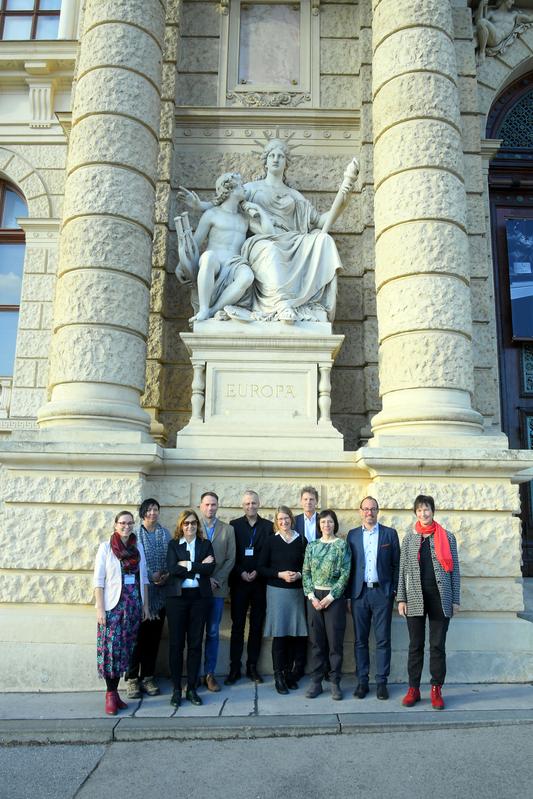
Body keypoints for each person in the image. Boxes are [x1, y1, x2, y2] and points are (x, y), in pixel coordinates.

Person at [178, 137, 358, 323]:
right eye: (272, 155)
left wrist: (344, 197)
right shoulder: (250, 189)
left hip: (292, 240)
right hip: (261, 239)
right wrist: (200, 205)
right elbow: (226, 203)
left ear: (286, 163)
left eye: (280, 156)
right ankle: (281, 304)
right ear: (265, 160)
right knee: (270, 250)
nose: (276, 159)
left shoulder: (294, 195)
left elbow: (320, 221)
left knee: (324, 240)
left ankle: (302, 304)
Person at [175, 172, 273, 323]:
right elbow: (194, 243)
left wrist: (259, 210)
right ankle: (203, 308)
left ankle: (211, 311)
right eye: (240, 185)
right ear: (230, 190)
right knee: (208, 257)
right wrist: (181, 265)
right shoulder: (211, 214)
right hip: (214, 259)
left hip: (235, 262)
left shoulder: (244, 218)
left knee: (248, 276)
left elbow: (269, 233)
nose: (244, 188)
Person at [397, 494, 461, 710]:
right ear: (415, 513)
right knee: (415, 645)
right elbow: (402, 570)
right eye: (420, 510)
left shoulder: (447, 537)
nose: (424, 513)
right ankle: (413, 689)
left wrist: (455, 599)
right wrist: (401, 599)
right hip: (414, 597)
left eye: (427, 509)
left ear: (433, 511)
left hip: (440, 599)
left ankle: (436, 689)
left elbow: (455, 572)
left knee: (437, 645)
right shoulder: (409, 539)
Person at [94, 510, 149, 716]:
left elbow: (143, 579)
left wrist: (145, 605)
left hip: (133, 607)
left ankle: (116, 694)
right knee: (111, 652)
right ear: (116, 525)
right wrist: (100, 609)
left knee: (125, 651)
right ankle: (110, 694)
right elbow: (98, 581)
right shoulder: (106, 548)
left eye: (130, 523)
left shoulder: (138, 548)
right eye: (122, 523)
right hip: (113, 608)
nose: (126, 526)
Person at [346, 497, 400, 700]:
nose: (369, 512)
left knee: (383, 640)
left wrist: (393, 591)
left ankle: (381, 682)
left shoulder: (389, 534)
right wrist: (348, 597)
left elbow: (397, 565)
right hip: (359, 595)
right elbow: (348, 568)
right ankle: (362, 681)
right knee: (360, 640)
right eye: (366, 509)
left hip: (381, 594)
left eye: (373, 509)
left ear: (378, 511)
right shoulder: (351, 536)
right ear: (360, 511)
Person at [165, 509, 216, 708]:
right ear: (181, 526)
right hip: (177, 600)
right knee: (176, 645)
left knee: (195, 644)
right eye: (186, 523)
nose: (190, 526)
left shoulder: (205, 544)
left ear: (198, 525)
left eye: (193, 523)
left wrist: (186, 564)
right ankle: (177, 689)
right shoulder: (173, 545)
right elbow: (172, 568)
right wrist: (197, 567)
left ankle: (192, 688)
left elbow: (210, 568)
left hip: (199, 599)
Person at [302, 509, 351, 700]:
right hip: (314, 597)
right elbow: (305, 572)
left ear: (334, 524)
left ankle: (335, 682)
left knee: (335, 642)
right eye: (323, 522)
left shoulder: (341, 545)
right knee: (316, 642)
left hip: (334, 598)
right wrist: (312, 597)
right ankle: (316, 682)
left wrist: (331, 596)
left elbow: (346, 573)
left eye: (330, 522)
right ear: (319, 525)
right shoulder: (312, 546)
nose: (326, 525)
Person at [226, 490, 274, 685]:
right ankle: (234, 668)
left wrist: (257, 572)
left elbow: (269, 554)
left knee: (256, 627)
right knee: (237, 627)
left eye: (253, 503)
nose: (250, 506)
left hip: (260, 583)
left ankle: (252, 667)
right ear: (242, 505)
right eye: (247, 503)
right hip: (239, 583)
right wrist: (240, 572)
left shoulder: (269, 527)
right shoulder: (234, 526)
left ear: (259, 503)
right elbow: (231, 554)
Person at [258, 506, 307, 694]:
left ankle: (289, 674)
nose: (283, 522)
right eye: (280, 519)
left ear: (291, 519)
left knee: (294, 635)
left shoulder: (302, 540)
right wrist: (280, 574)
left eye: (286, 518)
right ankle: (278, 676)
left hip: (296, 592)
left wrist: (299, 575)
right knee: (280, 635)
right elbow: (261, 568)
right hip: (277, 592)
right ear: (276, 522)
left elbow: (309, 567)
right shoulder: (271, 541)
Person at [125, 498, 171, 699]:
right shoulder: (136, 537)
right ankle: (132, 679)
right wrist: (150, 576)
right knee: (137, 640)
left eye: (155, 509)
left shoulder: (165, 534)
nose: (153, 513)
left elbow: (172, 558)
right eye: (149, 509)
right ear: (143, 513)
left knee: (153, 640)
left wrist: (165, 575)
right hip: (140, 597)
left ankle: (148, 677)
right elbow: (132, 565)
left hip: (161, 595)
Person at [198, 491, 236, 692]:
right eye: (206, 504)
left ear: (217, 506)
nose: (210, 508)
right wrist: (203, 579)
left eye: (213, 505)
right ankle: (195, 674)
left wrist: (217, 580)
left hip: (217, 589)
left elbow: (231, 558)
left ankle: (209, 674)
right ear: (200, 506)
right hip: (196, 590)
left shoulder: (227, 530)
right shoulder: (193, 528)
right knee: (195, 632)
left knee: (213, 632)